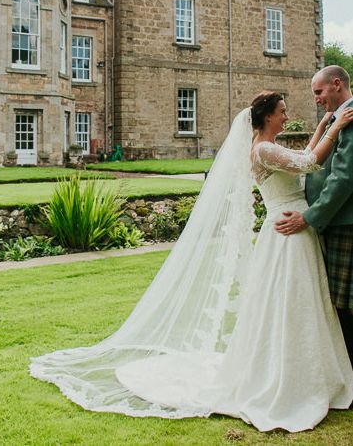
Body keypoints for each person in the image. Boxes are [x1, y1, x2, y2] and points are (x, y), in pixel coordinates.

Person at [30, 92, 353, 432]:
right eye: (283, 112)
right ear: (267, 116)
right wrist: (335, 128)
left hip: (292, 232)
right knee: (289, 303)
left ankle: (309, 373)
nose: (287, 118)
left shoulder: (269, 147)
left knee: (301, 303)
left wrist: (319, 128)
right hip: (287, 235)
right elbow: (310, 163)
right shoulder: (263, 149)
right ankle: (285, 378)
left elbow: (302, 156)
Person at [275, 66, 353, 365]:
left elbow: (344, 178)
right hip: (334, 221)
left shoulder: (350, 117)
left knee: (344, 303)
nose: (317, 99)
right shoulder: (337, 118)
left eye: (319, 92)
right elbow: (310, 159)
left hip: (344, 222)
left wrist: (309, 217)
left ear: (336, 84)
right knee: (336, 301)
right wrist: (325, 127)